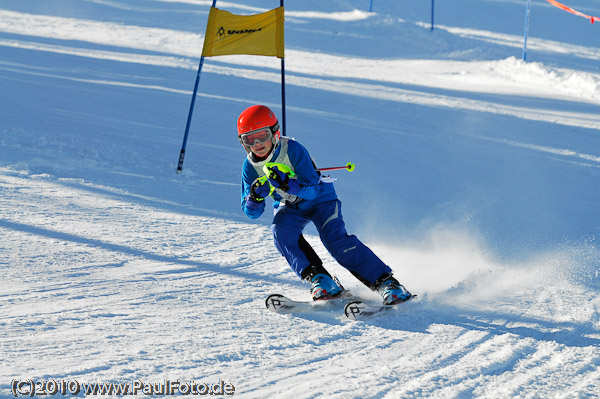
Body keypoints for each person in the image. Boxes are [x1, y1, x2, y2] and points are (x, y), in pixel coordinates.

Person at [238, 104, 412, 305]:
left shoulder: (292, 149)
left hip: (321, 200)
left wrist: (290, 185)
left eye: (262, 135)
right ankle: (321, 279)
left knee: (335, 240)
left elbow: (313, 188)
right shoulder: (249, 167)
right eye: (249, 139)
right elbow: (251, 212)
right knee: (281, 231)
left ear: (275, 132)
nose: (257, 143)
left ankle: (387, 283)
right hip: (289, 206)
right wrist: (254, 199)